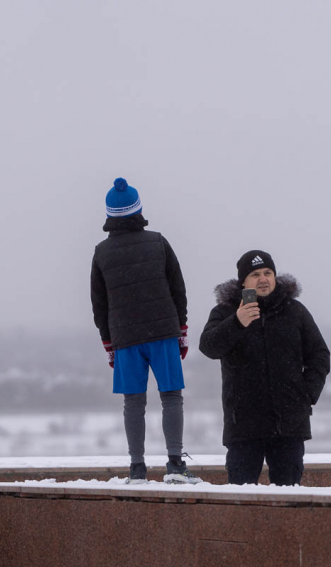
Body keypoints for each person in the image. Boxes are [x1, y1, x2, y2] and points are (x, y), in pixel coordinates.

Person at [90, 178, 201, 485]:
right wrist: (182, 329)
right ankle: (175, 463)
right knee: (171, 398)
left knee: (133, 402)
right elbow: (178, 289)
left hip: (125, 338)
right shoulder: (158, 242)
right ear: (138, 209)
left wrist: (108, 343)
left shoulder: (102, 252)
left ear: (110, 215)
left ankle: (137, 468)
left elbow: (99, 304)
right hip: (163, 330)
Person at [199, 250, 330, 485]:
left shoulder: (294, 311)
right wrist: (237, 322)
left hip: (289, 424)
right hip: (243, 424)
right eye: (255, 274)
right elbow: (208, 347)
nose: (263, 279)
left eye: (268, 273)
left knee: (288, 501)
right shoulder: (226, 312)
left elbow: (319, 355)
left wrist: (306, 395)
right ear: (243, 282)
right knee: (241, 503)